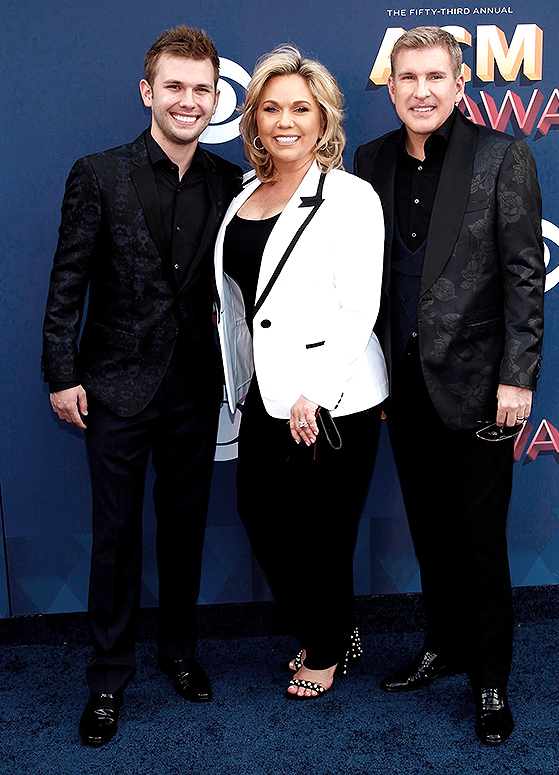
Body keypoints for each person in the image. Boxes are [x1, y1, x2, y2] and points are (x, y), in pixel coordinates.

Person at [41, 25, 242, 745]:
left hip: (195, 390)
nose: (188, 101)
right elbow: (68, 280)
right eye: (175, 87)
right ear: (147, 91)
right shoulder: (97, 173)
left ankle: (180, 651)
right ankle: (107, 676)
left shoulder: (229, 182)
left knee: (185, 532)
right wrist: (61, 372)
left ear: (216, 97)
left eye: (201, 89)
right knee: (116, 537)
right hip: (115, 386)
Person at [354, 26, 544, 744]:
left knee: (479, 539)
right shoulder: (370, 162)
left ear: (460, 85)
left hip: (478, 388)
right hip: (399, 389)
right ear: (392, 86)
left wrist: (516, 377)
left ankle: (490, 675)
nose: (422, 90)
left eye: (437, 77)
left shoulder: (501, 157)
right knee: (430, 530)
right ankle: (443, 643)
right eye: (409, 78)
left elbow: (526, 274)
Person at [214, 45, 388, 700]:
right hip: (265, 392)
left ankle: (324, 646)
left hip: (334, 397)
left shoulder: (350, 196)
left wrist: (319, 390)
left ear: (323, 120)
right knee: (259, 511)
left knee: (322, 533)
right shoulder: (244, 196)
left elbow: (359, 306)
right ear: (253, 118)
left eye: (300, 108)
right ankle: (335, 627)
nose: (285, 120)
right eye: (271, 107)